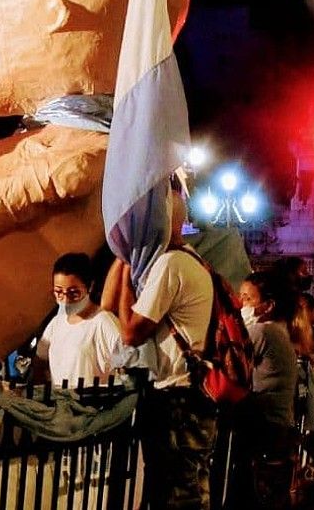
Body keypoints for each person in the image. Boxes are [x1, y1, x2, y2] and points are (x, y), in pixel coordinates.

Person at [103, 175, 215, 510]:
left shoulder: (170, 264)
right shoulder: (193, 260)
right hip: (192, 394)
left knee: (175, 492)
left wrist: (126, 267)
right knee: (191, 485)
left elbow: (131, 331)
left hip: (176, 398)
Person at [229, 269, 298, 510]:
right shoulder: (278, 330)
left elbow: (232, 363)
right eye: (240, 296)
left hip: (265, 430)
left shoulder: (263, 331)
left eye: (248, 298)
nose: (240, 303)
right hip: (276, 429)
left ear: (268, 305)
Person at [34, 251, 128, 386]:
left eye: (74, 293)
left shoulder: (103, 322)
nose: (65, 299)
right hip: (61, 403)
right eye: (59, 292)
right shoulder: (56, 323)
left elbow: (126, 365)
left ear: (90, 286)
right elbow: (40, 359)